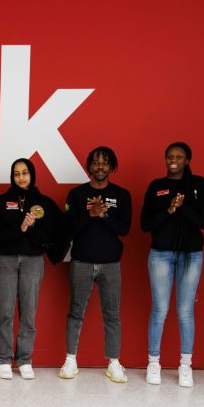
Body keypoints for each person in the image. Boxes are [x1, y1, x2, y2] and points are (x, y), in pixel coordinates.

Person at [59, 146, 132, 384]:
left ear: (112, 167)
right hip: (81, 261)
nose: (100, 167)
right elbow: (68, 228)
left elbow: (124, 229)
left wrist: (105, 215)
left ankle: (113, 362)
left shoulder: (122, 195)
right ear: (88, 166)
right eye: (96, 162)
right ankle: (70, 359)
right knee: (75, 312)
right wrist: (90, 214)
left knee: (112, 314)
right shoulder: (76, 194)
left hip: (110, 264)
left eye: (105, 163)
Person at [140, 141, 204, 387]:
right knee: (160, 309)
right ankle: (154, 362)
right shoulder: (157, 186)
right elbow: (145, 224)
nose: (174, 159)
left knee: (185, 311)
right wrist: (169, 209)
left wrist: (183, 208)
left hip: (191, 254)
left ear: (187, 160)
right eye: (170, 155)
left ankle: (185, 366)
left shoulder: (198, 185)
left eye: (179, 156)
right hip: (161, 253)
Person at [0, 158, 63, 380]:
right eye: (16, 174)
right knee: (5, 311)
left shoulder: (45, 203)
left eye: (25, 173)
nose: (21, 177)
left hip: (32, 261)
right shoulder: (2, 201)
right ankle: (3, 358)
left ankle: (24, 359)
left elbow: (48, 237)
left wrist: (30, 230)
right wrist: (20, 228)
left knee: (29, 312)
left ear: (32, 174)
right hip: (6, 260)